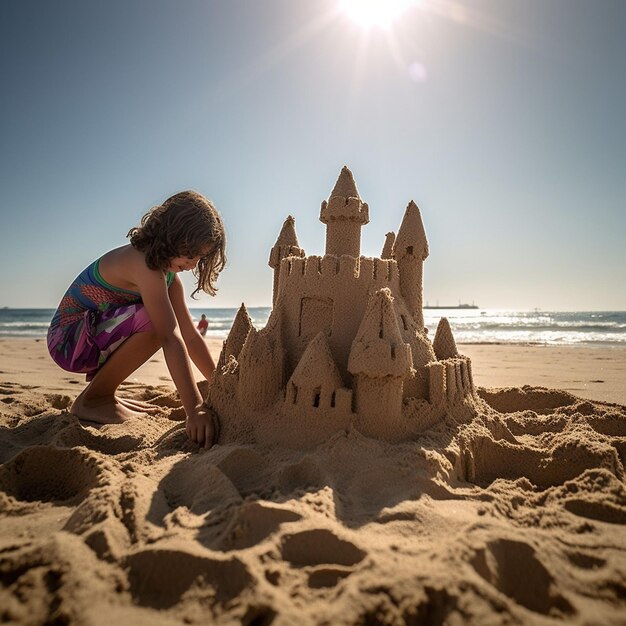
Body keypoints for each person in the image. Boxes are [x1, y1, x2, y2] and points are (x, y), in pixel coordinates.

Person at [47, 190, 226, 447]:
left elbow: (190, 336)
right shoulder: (141, 263)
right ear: (173, 237)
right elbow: (169, 336)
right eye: (191, 254)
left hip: (90, 337)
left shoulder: (170, 279)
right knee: (156, 321)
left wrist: (220, 383)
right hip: (67, 340)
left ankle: (103, 395)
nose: (193, 264)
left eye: (200, 258)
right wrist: (195, 409)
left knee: (159, 319)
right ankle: (94, 400)